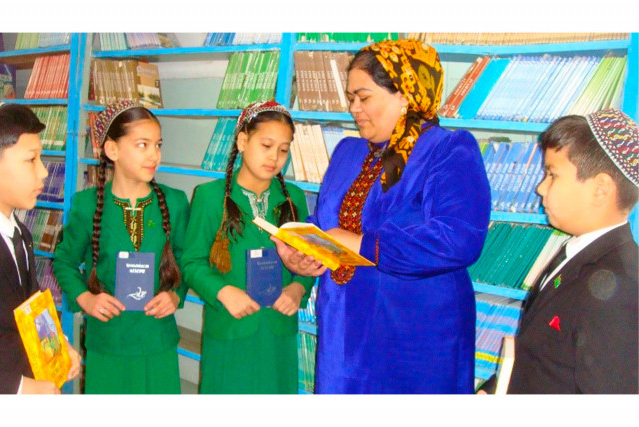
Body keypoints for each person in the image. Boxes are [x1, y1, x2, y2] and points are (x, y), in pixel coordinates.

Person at [273, 39, 491, 393]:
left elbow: (458, 240)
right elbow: (328, 220)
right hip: (343, 327)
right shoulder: (348, 151)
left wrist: (363, 245)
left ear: (405, 95)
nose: (353, 108)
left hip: (413, 336)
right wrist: (301, 251)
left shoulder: (447, 150)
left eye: (364, 97)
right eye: (350, 98)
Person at [479, 109, 638, 394]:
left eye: (552, 175)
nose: (540, 188)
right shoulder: (574, 250)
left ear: (600, 189)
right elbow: (535, 353)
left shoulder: (622, 286)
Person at [53, 100, 190, 394]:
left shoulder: (175, 202)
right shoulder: (87, 205)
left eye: (158, 145)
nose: (154, 154)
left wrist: (175, 295)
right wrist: (86, 299)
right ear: (112, 150)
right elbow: (64, 261)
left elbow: (186, 260)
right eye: (142, 145)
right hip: (108, 340)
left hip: (158, 338)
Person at [181, 100, 315, 394]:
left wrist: (298, 288)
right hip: (230, 324)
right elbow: (191, 262)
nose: (275, 157)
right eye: (266, 145)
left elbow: (309, 258)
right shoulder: (209, 197)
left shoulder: (293, 198)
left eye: (283, 149)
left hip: (278, 328)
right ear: (242, 141)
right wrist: (223, 291)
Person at [0, 103, 81, 394]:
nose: (44, 171)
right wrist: (20, 388)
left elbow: (32, 305)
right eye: (31, 159)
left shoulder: (20, 233)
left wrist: (59, 345)